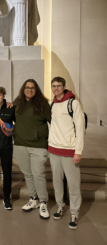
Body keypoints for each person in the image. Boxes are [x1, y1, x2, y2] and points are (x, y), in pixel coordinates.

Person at [49, 77, 85, 230]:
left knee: (74, 183)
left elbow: (80, 128)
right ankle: (60, 206)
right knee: (57, 182)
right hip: (53, 149)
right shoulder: (53, 104)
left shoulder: (73, 103)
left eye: (58, 86)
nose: (56, 88)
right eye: (53, 86)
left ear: (64, 87)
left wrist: (78, 152)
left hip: (69, 151)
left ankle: (75, 212)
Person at [13, 79, 51, 219]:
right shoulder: (17, 102)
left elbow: (55, 121)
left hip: (38, 145)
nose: (29, 90)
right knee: (28, 174)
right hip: (20, 144)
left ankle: (43, 201)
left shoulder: (43, 104)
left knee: (38, 174)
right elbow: (8, 114)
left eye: (32, 88)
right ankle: (33, 199)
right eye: (27, 87)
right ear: (23, 89)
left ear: (37, 89)